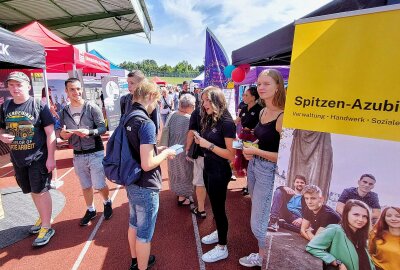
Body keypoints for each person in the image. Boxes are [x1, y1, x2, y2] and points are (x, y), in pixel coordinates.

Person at [0, 71, 56, 246]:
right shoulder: (5, 107)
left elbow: (50, 133)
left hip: (37, 157)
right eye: (11, 85)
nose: (15, 88)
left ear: (28, 87)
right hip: (18, 158)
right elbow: (1, 129)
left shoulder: (39, 105)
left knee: (40, 190)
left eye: (19, 84)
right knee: (32, 190)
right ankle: (42, 217)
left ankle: (47, 226)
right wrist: (2, 136)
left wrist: (51, 159)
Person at [125, 80, 176, 270]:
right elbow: (147, 164)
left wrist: (156, 148)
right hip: (145, 184)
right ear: (151, 96)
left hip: (131, 180)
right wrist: (164, 153)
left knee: (133, 224)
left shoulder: (129, 116)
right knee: (144, 234)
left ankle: (134, 260)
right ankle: (142, 267)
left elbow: (136, 149)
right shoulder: (146, 122)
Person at [238, 69, 285, 268]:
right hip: (256, 166)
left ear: (278, 87)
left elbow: (284, 157)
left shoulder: (283, 116)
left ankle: (267, 260)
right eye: (259, 84)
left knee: (259, 221)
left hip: (269, 170)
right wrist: (253, 147)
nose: (261, 87)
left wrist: (256, 152)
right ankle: (264, 256)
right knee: (258, 215)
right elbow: (263, 139)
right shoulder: (264, 111)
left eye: (266, 84)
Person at [58, 78, 112, 226]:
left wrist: (88, 132)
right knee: (85, 185)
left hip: (95, 152)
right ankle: (91, 209)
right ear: (67, 92)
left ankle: (107, 202)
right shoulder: (63, 111)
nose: (76, 92)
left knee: (99, 185)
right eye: (72, 90)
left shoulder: (91, 107)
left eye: (78, 89)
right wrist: (63, 135)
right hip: (77, 154)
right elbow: (60, 132)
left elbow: (102, 128)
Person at [194, 86, 236, 263]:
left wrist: (206, 144)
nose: (203, 104)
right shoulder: (211, 118)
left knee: (219, 209)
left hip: (219, 170)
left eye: (206, 101)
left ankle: (222, 246)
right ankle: (219, 232)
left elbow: (230, 154)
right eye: (202, 101)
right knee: (215, 207)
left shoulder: (227, 122)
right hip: (209, 167)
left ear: (216, 100)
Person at [306, 200, 376, 270]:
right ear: (346, 214)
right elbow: (312, 247)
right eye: (356, 214)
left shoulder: (363, 236)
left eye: (365, 216)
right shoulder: (335, 230)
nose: (361, 219)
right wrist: (336, 262)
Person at [164, 94, 196, 206]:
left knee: (175, 173)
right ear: (190, 106)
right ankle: (182, 197)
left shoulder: (172, 115)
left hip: (171, 151)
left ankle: (179, 193)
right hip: (184, 152)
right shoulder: (189, 119)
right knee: (185, 173)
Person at [233, 86, 263, 197]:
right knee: (238, 156)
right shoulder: (244, 108)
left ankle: (249, 186)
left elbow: (263, 125)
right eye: (243, 94)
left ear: (253, 97)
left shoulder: (260, 109)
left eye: (246, 95)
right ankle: (247, 184)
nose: (243, 96)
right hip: (242, 136)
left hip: (253, 138)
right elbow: (237, 121)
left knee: (250, 161)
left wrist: (257, 129)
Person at [186, 94, 207, 219]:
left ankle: (201, 209)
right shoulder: (222, 111)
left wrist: (188, 148)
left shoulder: (197, 112)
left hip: (202, 152)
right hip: (217, 153)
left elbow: (191, 132)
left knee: (200, 180)